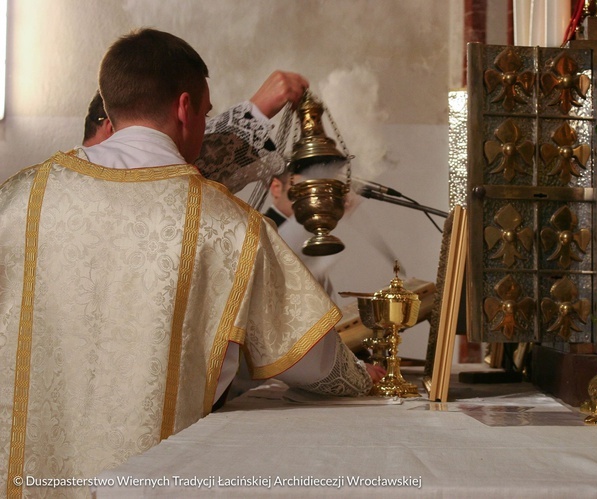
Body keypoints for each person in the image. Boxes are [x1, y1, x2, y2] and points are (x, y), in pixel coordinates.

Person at [0, 28, 384, 497]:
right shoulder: (227, 225)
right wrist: (358, 378)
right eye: (205, 113)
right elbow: (307, 357)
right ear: (186, 108)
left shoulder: (21, 199)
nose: (204, 126)